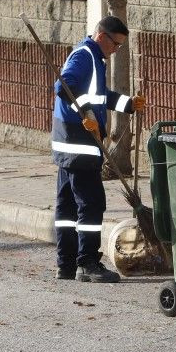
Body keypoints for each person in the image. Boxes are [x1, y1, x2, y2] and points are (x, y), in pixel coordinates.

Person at [51, 16, 146, 283]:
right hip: (80, 141)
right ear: (102, 36)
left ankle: (66, 265)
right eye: (115, 44)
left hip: (68, 141)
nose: (116, 50)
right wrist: (88, 114)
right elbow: (64, 86)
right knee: (91, 204)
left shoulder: (94, 59)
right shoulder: (85, 55)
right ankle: (88, 263)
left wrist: (128, 103)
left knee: (67, 206)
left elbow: (99, 94)